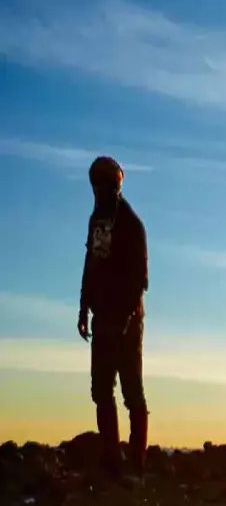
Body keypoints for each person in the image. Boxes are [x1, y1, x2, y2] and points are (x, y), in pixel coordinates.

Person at [78, 156, 149, 478]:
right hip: (102, 315)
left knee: (131, 390)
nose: (97, 193)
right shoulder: (96, 220)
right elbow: (90, 262)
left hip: (127, 320)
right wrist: (84, 307)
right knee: (101, 389)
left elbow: (139, 278)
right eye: (94, 187)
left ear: (114, 187)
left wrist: (126, 318)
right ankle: (112, 457)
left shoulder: (131, 224)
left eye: (102, 187)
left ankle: (137, 460)